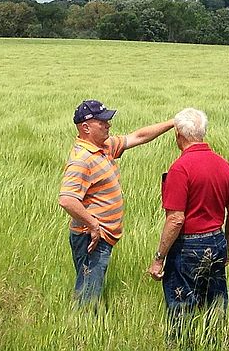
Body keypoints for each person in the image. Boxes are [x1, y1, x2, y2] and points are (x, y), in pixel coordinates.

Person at [59, 99, 174, 306]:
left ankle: (86, 321)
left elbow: (138, 137)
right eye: (102, 122)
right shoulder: (82, 159)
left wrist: (173, 122)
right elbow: (67, 199)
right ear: (86, 127)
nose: (108, 125)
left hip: (99, 235)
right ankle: (83, 324)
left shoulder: (104, 147)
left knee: (90, 287)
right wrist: (94, 225)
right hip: (91, 237)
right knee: (88, 294)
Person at [147, 108, 229, 340]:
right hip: (216, 240)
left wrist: (159, 258)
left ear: (178, 134)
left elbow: (176, 219)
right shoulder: (224, 164)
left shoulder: (180, 168)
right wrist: (226, 245)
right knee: (215, 306)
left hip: (187, 246)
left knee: (181, 311)